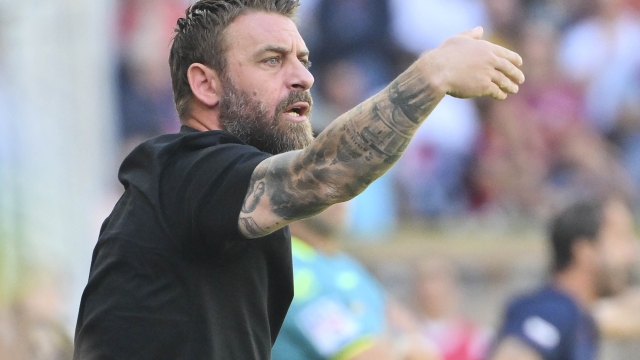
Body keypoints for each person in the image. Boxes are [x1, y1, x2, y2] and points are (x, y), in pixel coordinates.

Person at [73, 0, 524, 358]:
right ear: (206, 85)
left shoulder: (207, 197)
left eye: (303, 59)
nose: (304, 76)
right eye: (272, 60)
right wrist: (432, 74)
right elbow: (322, 176)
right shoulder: (187, 170)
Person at [272, 203, 439, 360]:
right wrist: (403, 347)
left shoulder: (343, 263)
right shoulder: (288, 267)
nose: (340, 195)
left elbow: (411, 330)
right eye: (320, 182)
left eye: (343, 182)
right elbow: (362, 355)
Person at [488, 198, 638, 360]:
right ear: (585, 251)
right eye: (621, 239)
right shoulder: (551, 310)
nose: (633, 253)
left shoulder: (579, 316)